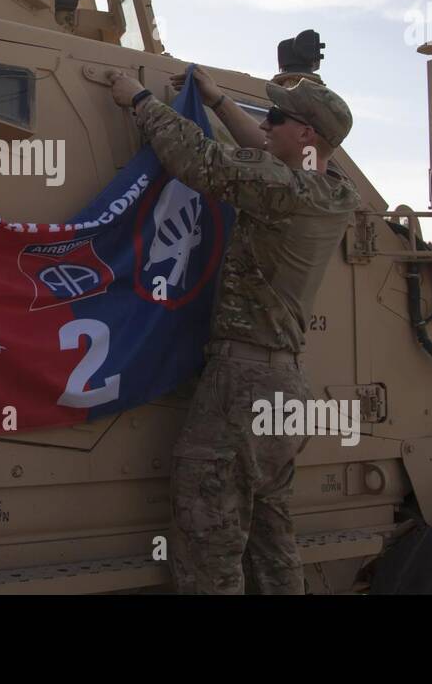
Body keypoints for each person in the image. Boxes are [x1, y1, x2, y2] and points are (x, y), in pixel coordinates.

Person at [109, 65, 361, 593]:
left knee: (209, 545)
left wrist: (138, 100)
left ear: (307, 135)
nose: (263, 124)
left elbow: (200, 161)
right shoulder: (331, 189)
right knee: (271, 544)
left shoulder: (286, 190)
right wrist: (221, 101)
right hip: (281, 389)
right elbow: (271, 158)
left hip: (242, 387)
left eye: (275, 117)